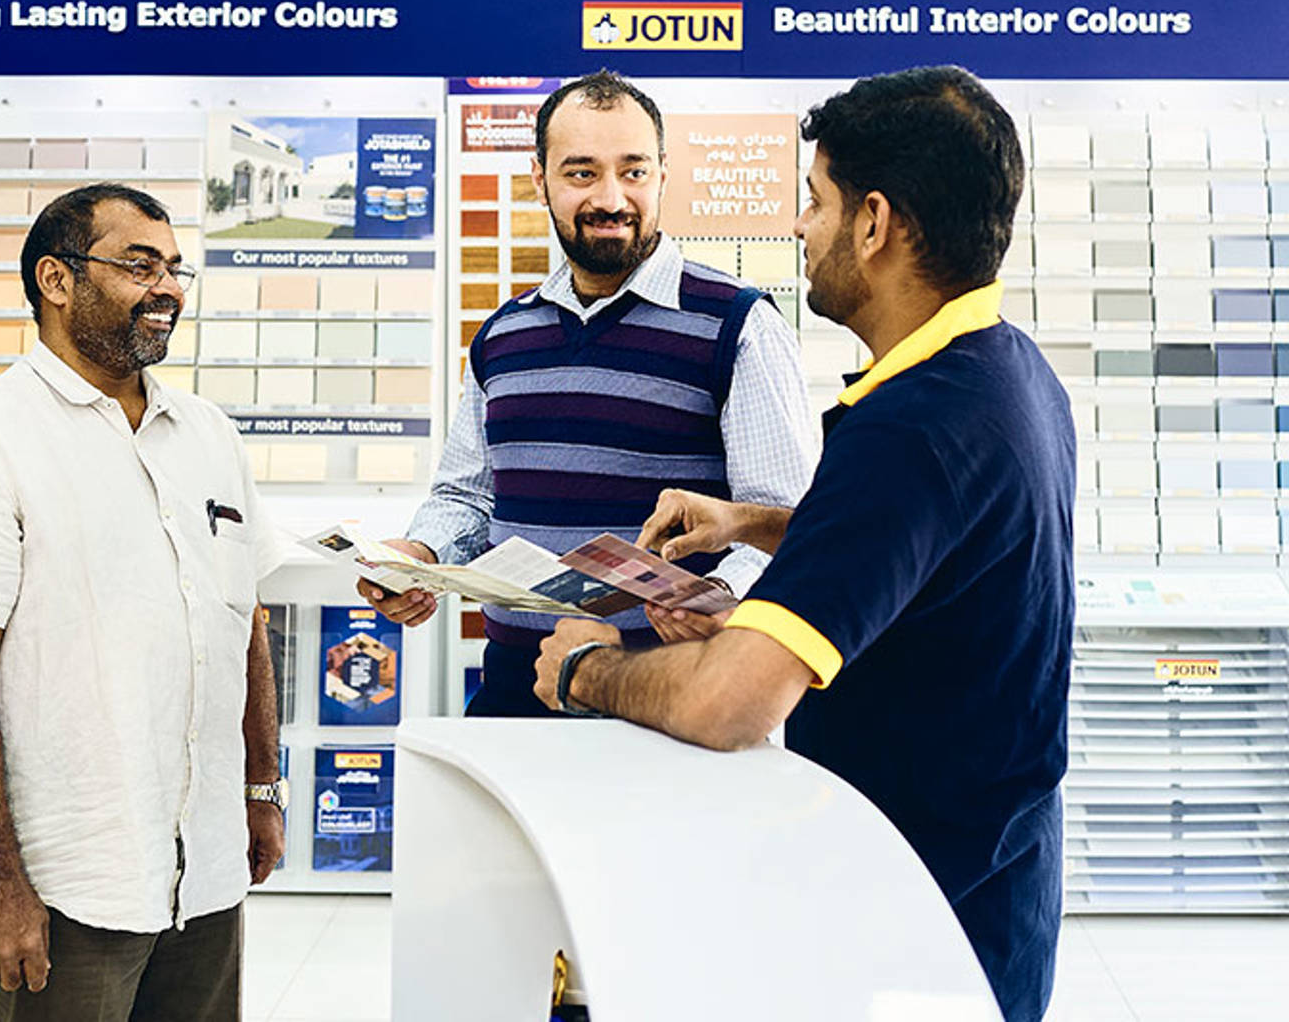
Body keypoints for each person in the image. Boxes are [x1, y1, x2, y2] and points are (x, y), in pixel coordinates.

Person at [531, 67, 1075, 1022]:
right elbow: (937, 539)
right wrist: (758, 523)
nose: (800, 228)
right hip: (992, 884)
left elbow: (730, 704)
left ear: (874, 223)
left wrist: (588, 671)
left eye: (814, 203)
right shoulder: (1005, 370)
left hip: (915, 914)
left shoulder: (910, 426)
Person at [0, 183, 287, 1021]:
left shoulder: (208, 434)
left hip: (203, 878)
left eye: (176, 269)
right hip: (64, 887)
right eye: (139, 265)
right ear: (57, 281)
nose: (170, 288)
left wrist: (259, 787)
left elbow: (242, 620)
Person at [358, 71, 818, 715]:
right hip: (514, 690)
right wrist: (421, 553)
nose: (611, 197)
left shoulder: (739, 324)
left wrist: (718, 595)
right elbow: (467, 494)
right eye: (581, 173)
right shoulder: (502, 335)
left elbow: (785, 520)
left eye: (633, 172)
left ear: (663, 173)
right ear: (539, 176)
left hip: (667, 693)